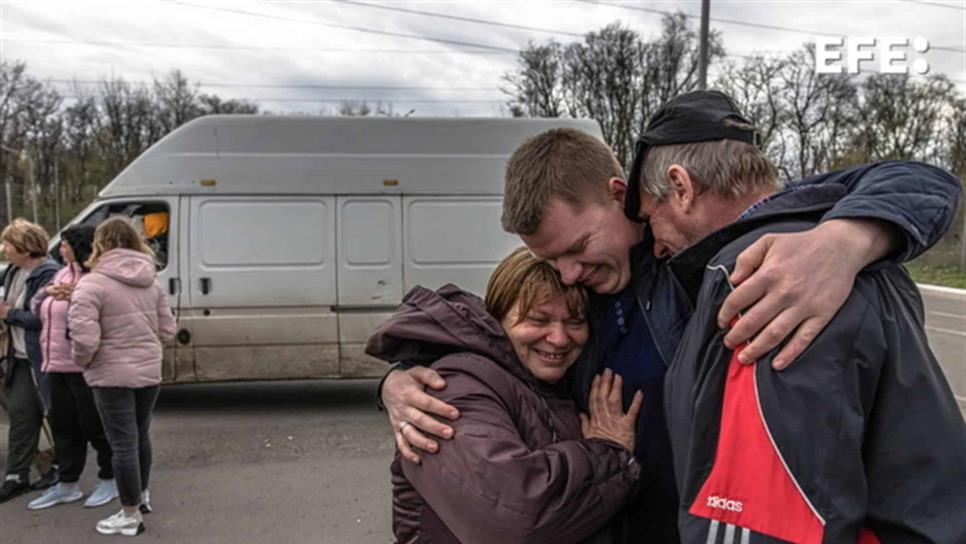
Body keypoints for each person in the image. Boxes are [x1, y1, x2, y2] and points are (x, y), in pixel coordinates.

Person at [380, 91, 963, 540]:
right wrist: (407, 372)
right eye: (551, 261)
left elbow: (919, 179)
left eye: (577, 249)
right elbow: (504, 339)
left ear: (620, 194)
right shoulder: (586, 290)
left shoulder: (710, 265)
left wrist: (845, 239)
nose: (567, 274)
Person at [630, 90, 966, 542]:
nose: (655, 245)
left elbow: (759, 519)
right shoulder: (838, 242)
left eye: (653, 219)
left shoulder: (763, 279)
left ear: (681, 187)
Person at [366, 247, 643, 544]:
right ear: (497, 318)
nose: (560, 338)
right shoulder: (450, 390)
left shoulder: (546, 380)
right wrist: (610, 453)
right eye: (538, 320)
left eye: (575, 322)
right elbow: (514, 519)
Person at [68, 216, 176, 536]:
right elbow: (168, 330)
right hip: (148, 370)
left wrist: (83, 362)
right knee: (140, 435)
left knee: (123, 444)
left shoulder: (91, 284)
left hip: (110, 373)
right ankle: (141, 497)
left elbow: (84, 339)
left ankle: (129, 515)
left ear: (99, 244)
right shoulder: (151, 282)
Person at [26, 224, 118, 510]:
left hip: (84, 366)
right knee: (64, 427)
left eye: (65, 244)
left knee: (95, 426)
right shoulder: (61, 274)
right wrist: (47, 292)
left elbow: (103, 312)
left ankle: (110, 478)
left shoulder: (96, 277)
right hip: (55, 364)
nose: (60, 248)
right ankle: (67, 484)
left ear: (79, 246)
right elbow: (35, 308)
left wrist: (75, 296)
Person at [0, 218, 61, 503]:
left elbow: (43, 317)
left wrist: (10, 315)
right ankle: (17, 475)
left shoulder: (50, 273)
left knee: (57, 415)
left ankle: (61, 469)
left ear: (25, 248)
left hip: (46, 357)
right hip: (20, 358)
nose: (4, 249)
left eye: (8, 244)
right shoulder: (13, 271)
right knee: (22, 415)